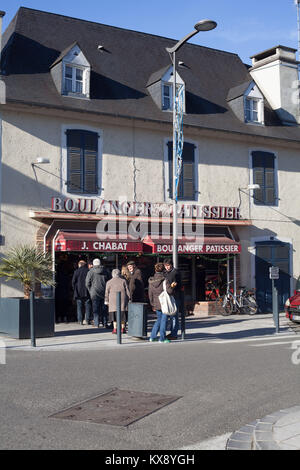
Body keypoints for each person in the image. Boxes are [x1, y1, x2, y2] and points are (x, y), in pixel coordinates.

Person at [148, 263, 174, 343]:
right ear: (163, 270)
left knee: (159, 320)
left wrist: (152, 304)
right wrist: (172, 286)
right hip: (164, 303)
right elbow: (169, 291)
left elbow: (150, 294)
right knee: (164, 320)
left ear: (155, 270)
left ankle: (152, 337)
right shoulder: (164, 280)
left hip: (156, 303)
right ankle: (162, 338)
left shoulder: (151, 281)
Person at [105, 269, 130, 334]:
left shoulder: (109, 282)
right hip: (122, 300)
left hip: (112, 301)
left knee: (114, 315)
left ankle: (115, 329)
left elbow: (106, 293)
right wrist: (129, 299)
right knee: (122, 315)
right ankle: (122, 328)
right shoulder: (123, 281)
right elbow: (127, 291)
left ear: (112, 274)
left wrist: (106, 301)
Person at [85, 258, 108, 328]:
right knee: (104, 309)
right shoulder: (105, 271)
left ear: (93, 264)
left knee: (95, 309)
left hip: (94, 293)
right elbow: (109, 281)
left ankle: (96, 323)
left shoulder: (90, 272)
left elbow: (87, 283)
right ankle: (105, 323)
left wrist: (90, 290)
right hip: (104, 292)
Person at [163, 258, 182, 340]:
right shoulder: (164, 273)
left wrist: (172, 286)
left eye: (168, 265)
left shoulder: (176, 272)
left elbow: (177, 284)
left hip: (175, 296)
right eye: (165, 266)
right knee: (168, 315)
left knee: (174, 316)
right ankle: (171, 332)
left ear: (171, 265)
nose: (167, 267)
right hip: (167, 296)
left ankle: (174, 334)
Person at [71, 260, 92, 325]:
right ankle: (87, 320)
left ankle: (80, 320)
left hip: (78, 292)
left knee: (79, 307)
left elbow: (73, 282)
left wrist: (74, 289)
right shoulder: (88, 271)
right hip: (87, 291)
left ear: (79, 264)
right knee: (87, 306)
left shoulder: (76, 271)